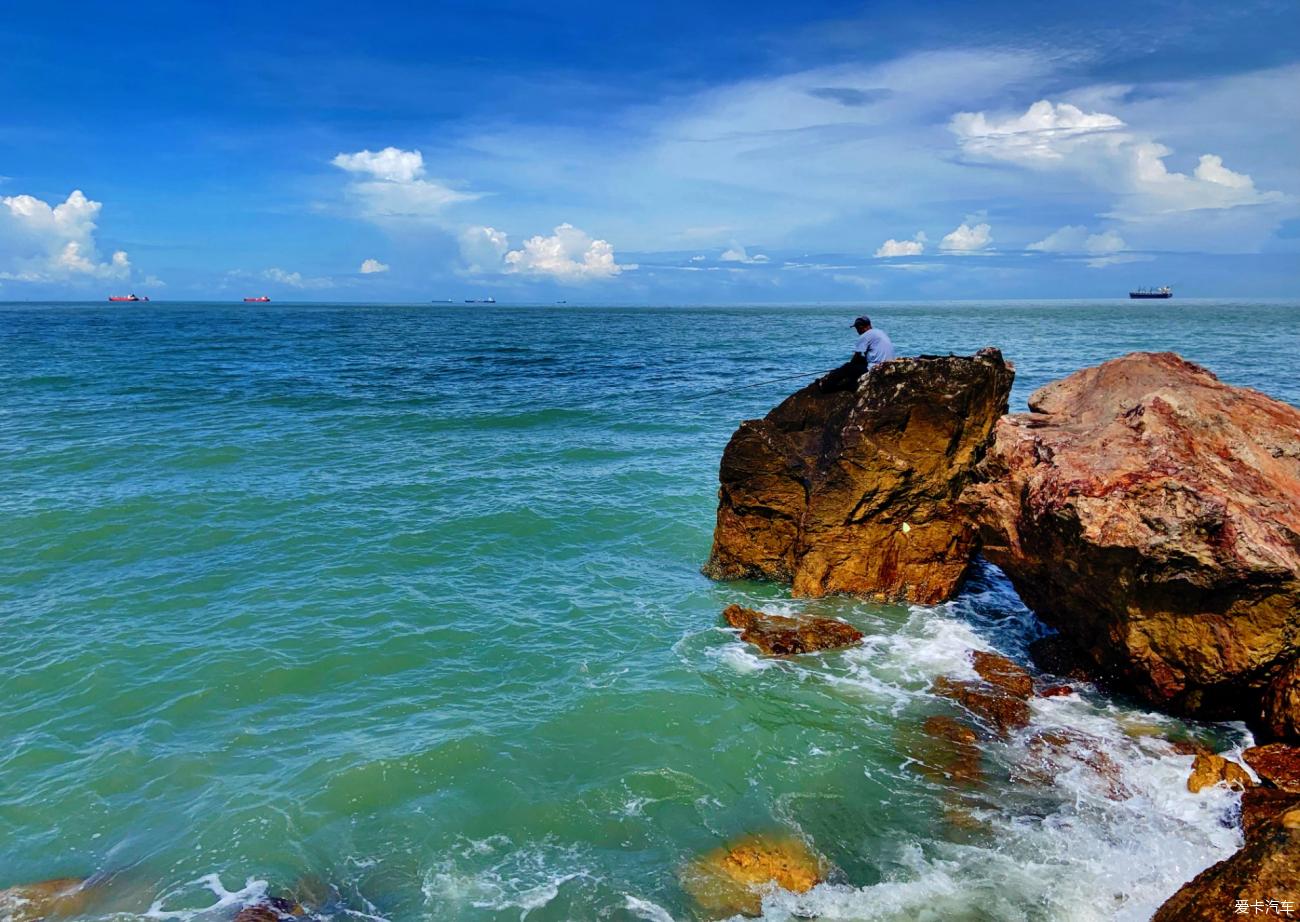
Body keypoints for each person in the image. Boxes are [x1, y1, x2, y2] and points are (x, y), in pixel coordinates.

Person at [819, 314, 895, 392]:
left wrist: (848, 367)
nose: (857, 331)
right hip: (888, 365)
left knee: (847, 367)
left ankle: (826, 386)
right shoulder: (879, 332)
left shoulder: (865, 336)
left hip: (875, 367)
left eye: (856, 328)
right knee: (858, 363)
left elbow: (856, 357)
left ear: (860, 327)